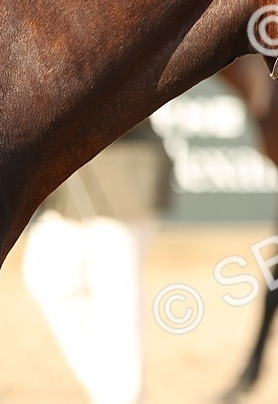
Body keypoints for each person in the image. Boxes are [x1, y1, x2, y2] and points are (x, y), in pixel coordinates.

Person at [21, 119, 174, 404]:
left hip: (122, 181)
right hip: (72, 190)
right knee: (43, 272)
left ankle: (120, 396)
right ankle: (110, 392)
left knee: (117, 305)